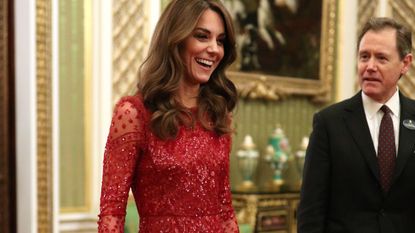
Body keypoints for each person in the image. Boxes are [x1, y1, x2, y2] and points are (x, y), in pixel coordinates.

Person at [97, 0, 240, 232]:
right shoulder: (134, 113)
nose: (214, 48)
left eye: (220, 41)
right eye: (202, 36)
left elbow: (225, 210)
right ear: (176, 40)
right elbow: (111, 212)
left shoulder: (218, 114)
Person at [297, 17, 414, 233]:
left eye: (381, 58)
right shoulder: (329, 123)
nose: (370, 66)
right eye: (364, 56)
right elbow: (311, 211)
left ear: (405, 64)